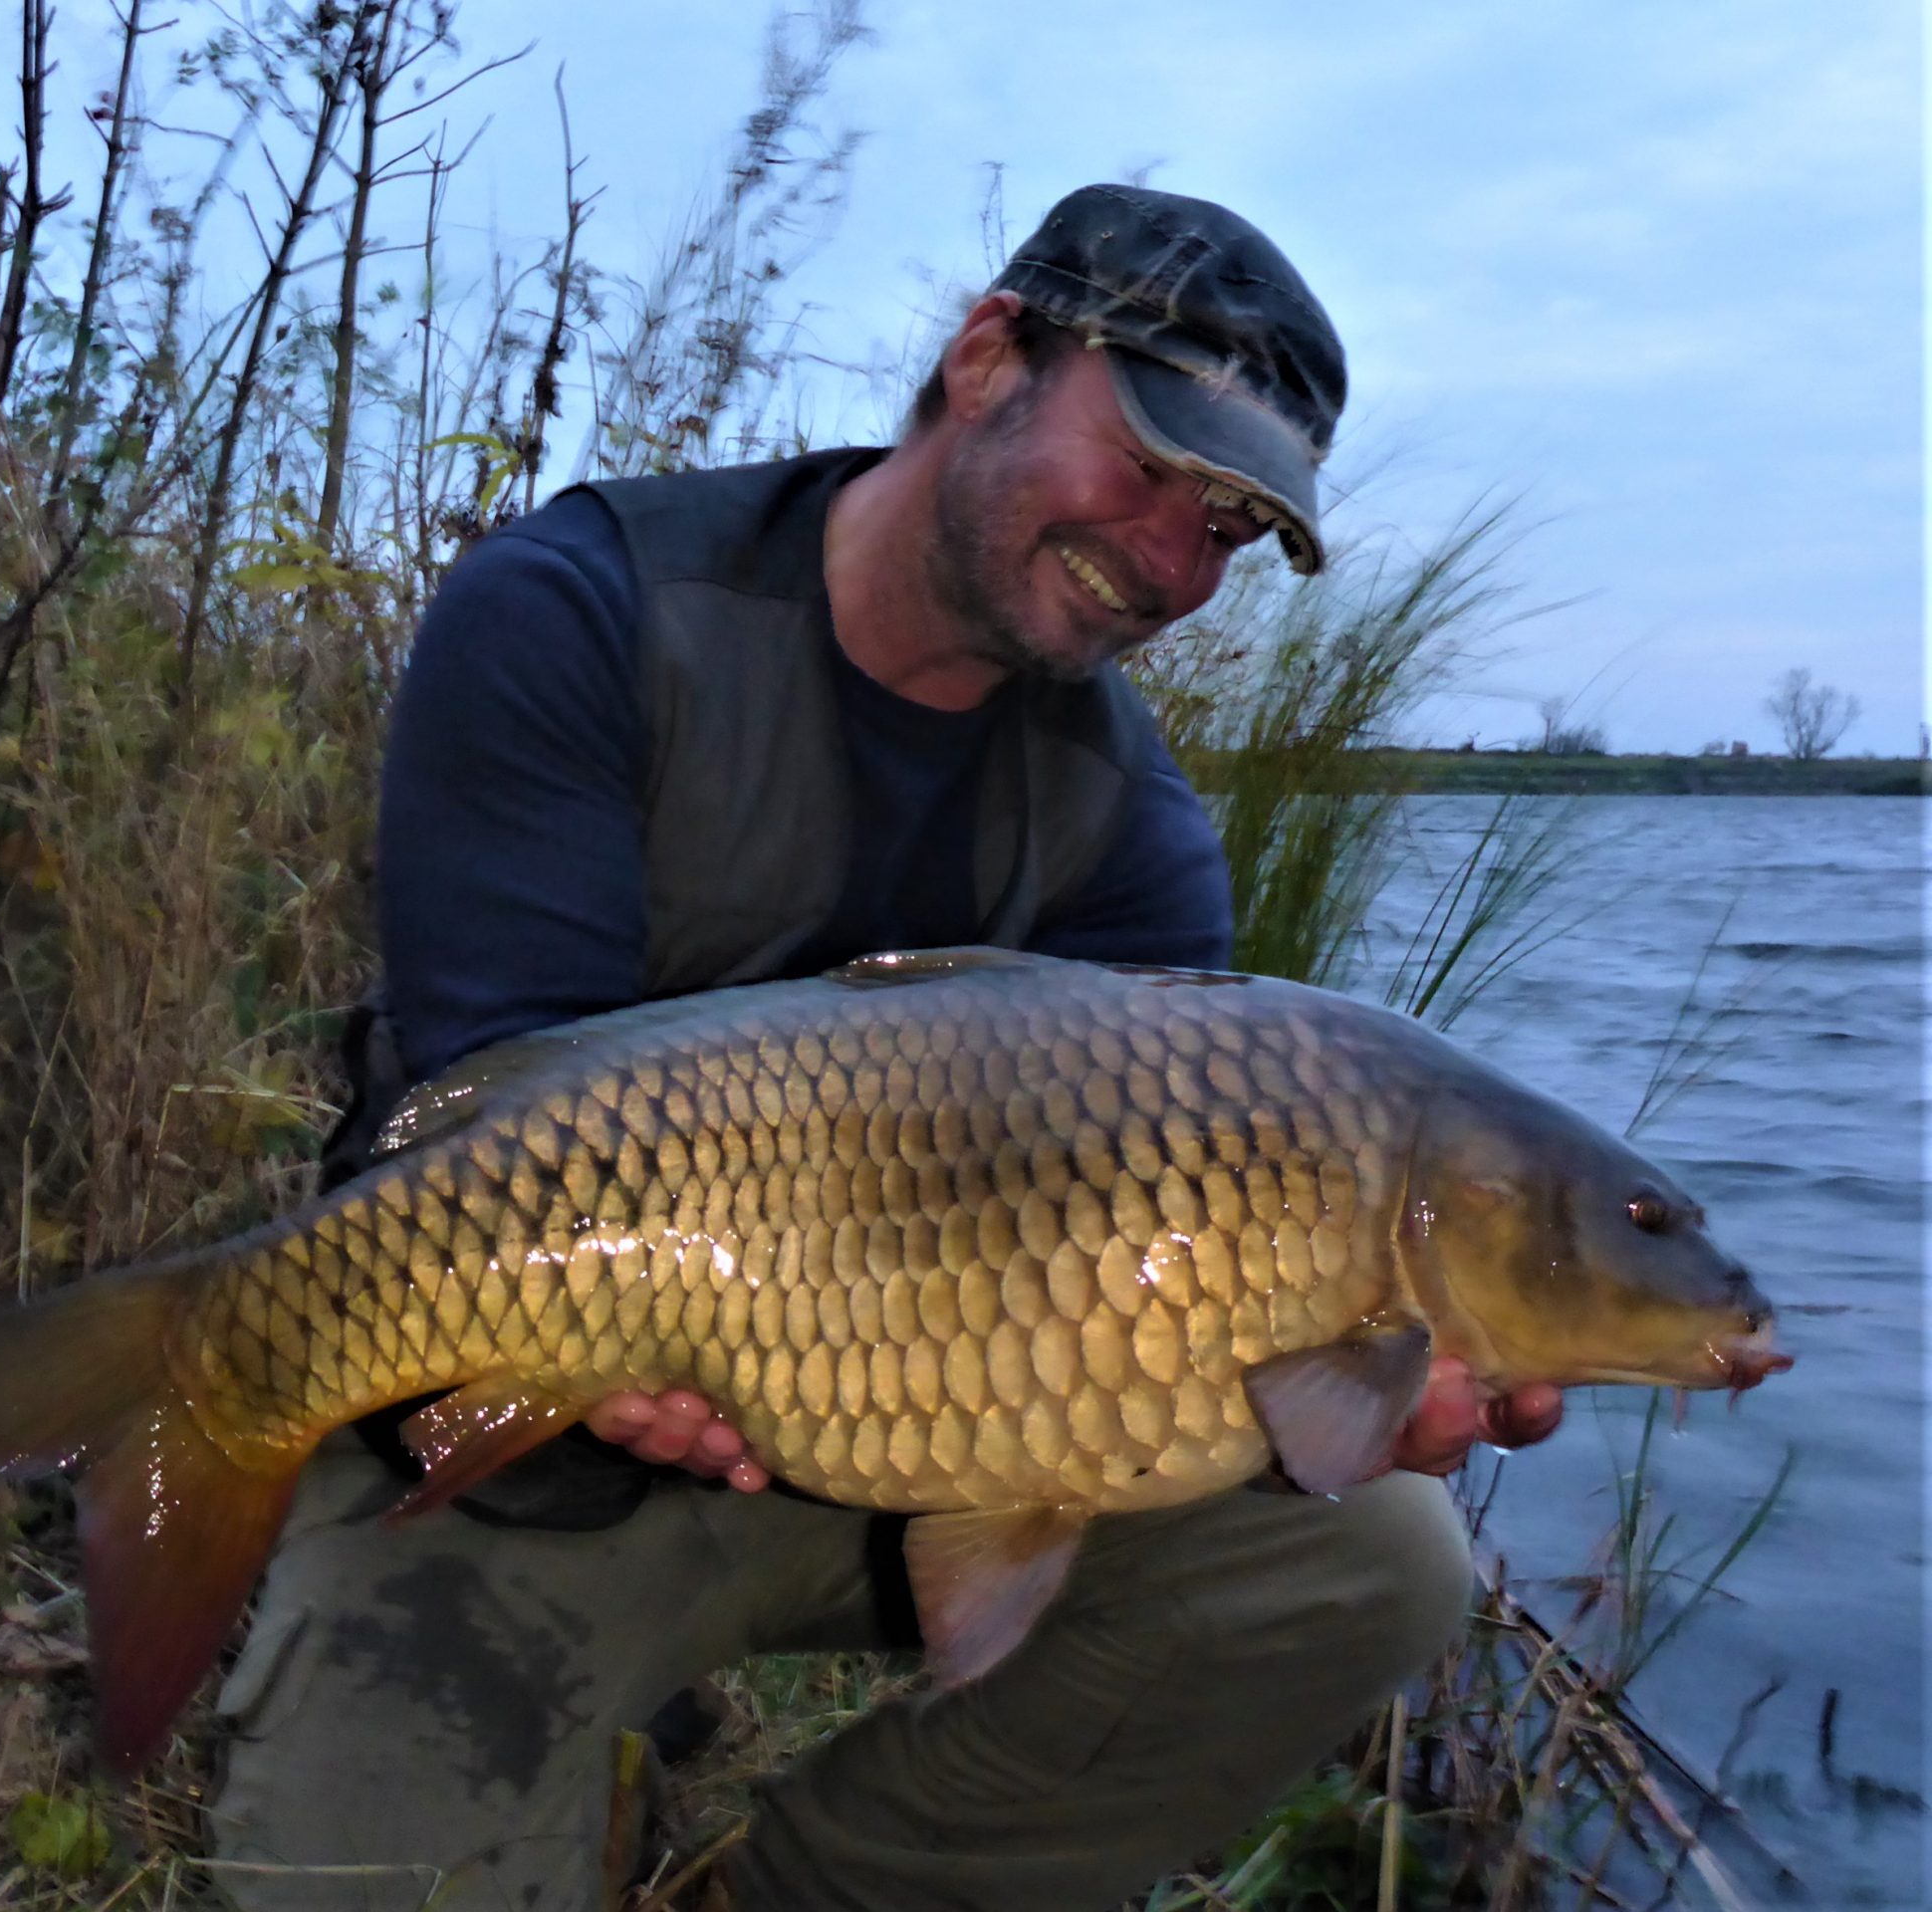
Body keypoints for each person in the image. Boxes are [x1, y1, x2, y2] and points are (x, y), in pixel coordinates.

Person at [205, 183, 1563, 1912]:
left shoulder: (1132, 834)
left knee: (1373, 1557)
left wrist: (1345, 1381)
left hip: (909, 1430)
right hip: (511, 1448)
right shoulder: (583, 610)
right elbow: (487, 1123)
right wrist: (586, 1358)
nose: (1170, 561)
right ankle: (528, 1699)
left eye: (1225, 530)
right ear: (990, 357)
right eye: (1149, 467)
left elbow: (1133, 1335)